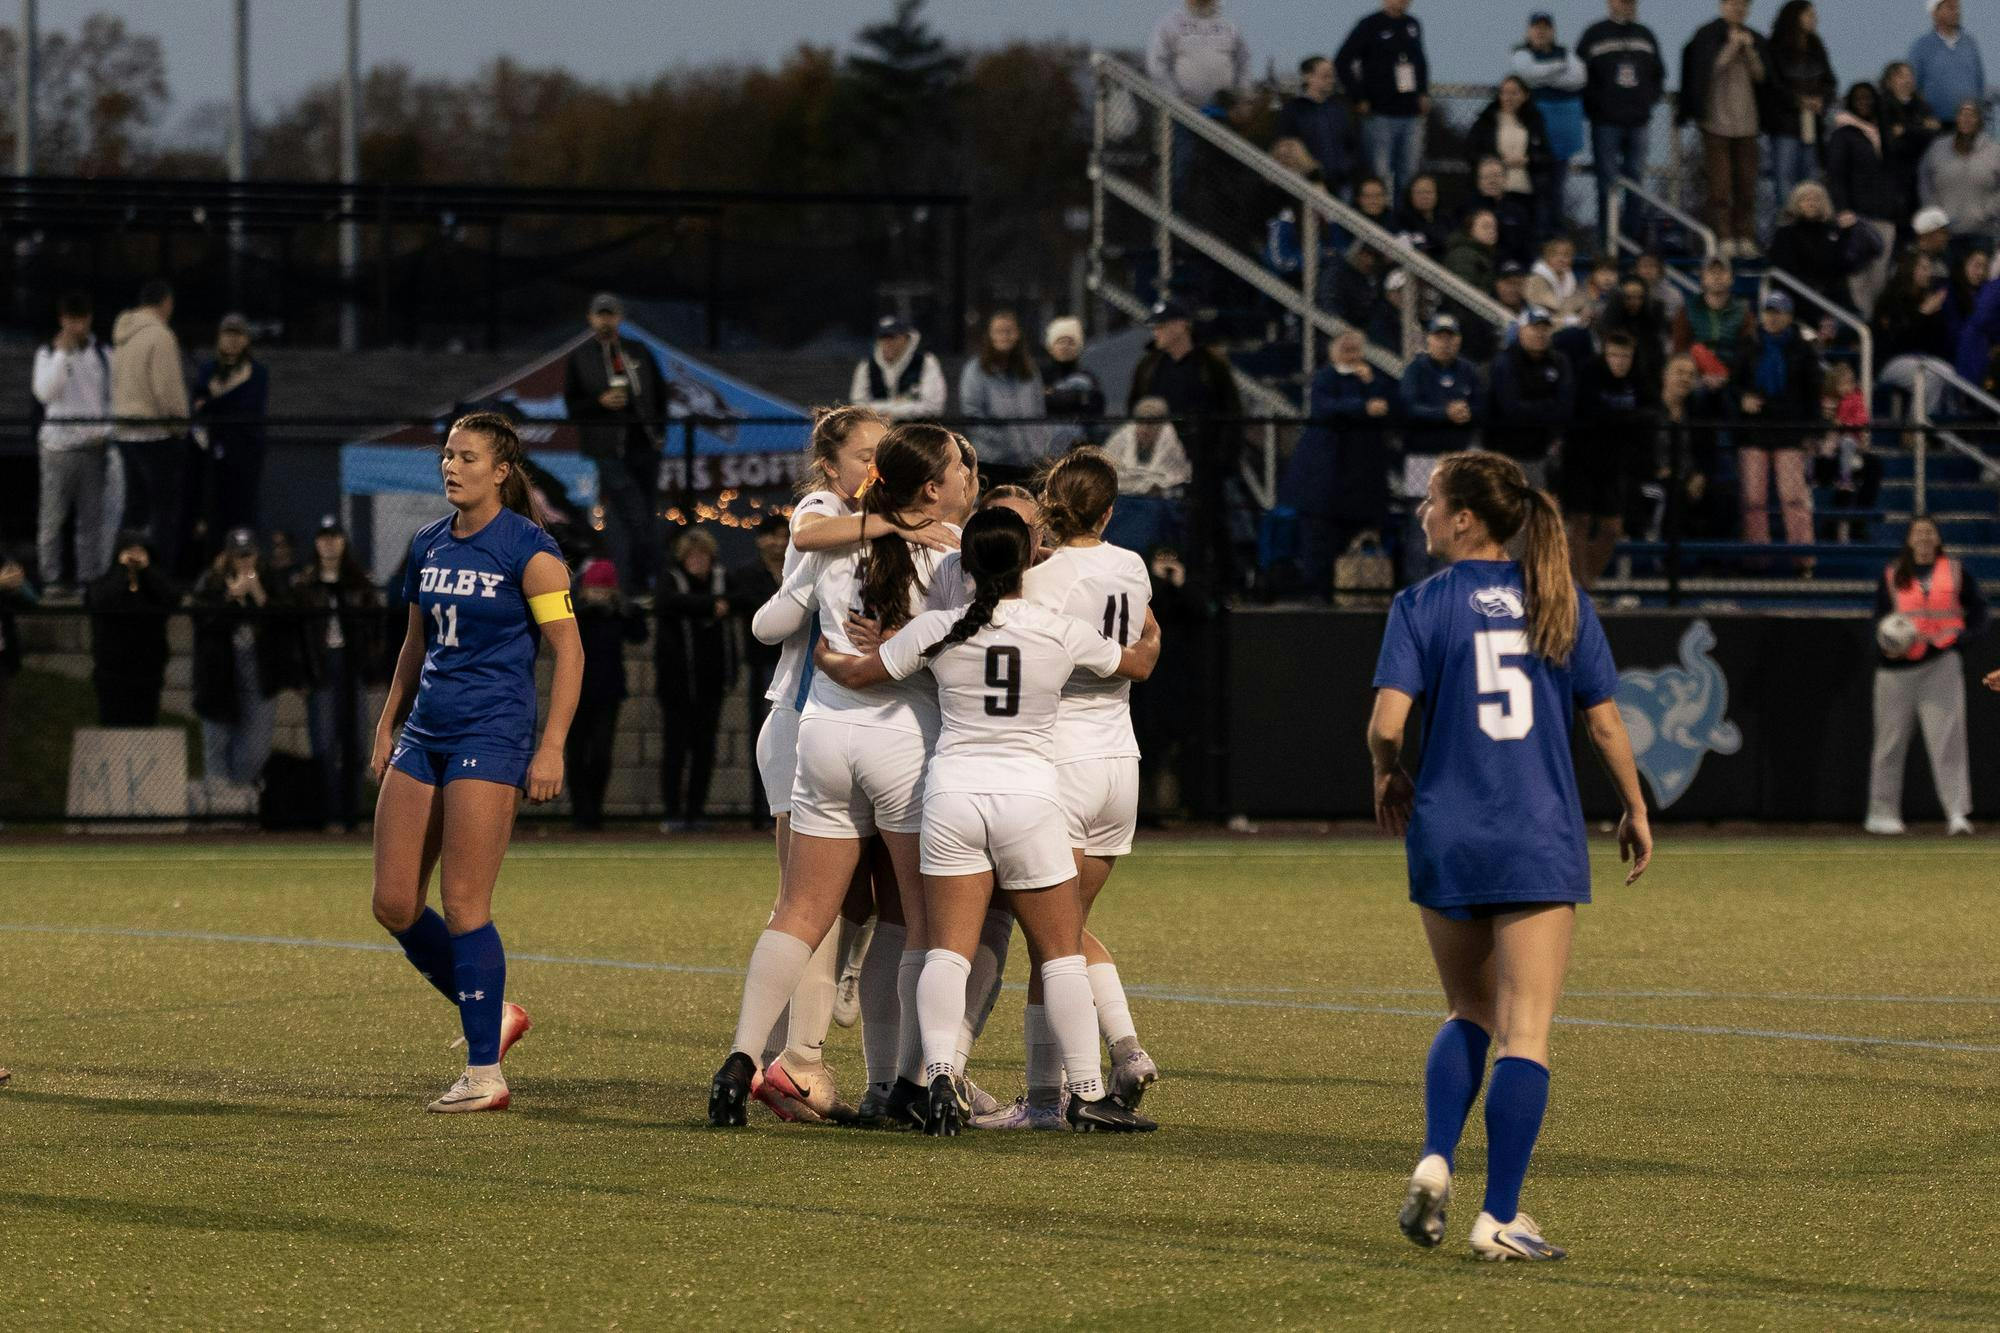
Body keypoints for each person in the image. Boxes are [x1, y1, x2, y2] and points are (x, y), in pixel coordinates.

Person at [1370, 450, 1651, 1262]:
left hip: (1449, 830)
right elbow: (1603, 724)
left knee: (1469, 1008)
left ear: (1464, 518)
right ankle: (1497, 1216)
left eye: (1431, 498)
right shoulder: (1557, 599)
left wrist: (1389, 774)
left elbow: (1389, 724)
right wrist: (1633, 805)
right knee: (1524, 1028)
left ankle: (1433, 1158)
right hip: (1536, 831)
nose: (1423, 509)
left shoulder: (1420, 603)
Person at [814, 504, 1161, 1136]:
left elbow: (861, 673)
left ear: (965, 563)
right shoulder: (1054, 627)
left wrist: (824, 654)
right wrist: (1152, 635)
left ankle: (940, 1078)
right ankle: (1084, 1094)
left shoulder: (939, 626)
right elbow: (1137, 663)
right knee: (1059, 954)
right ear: (1031, 557)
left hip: (952, 796)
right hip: (1029, 799)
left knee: (947, 950)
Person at [717, 423, 971, 1129]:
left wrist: (844, 657)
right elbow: (965, 653)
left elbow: (789, 613)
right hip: (903, 741)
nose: (960, 480)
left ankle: (741, 1061)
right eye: (954, 469)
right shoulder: (950, 552)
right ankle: (911, 1082)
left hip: (826, 737)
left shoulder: (839, 541)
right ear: (927, 485)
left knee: (801, 909)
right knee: (915, 919)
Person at [367, 411, 583, 1114]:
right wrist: (387, 720)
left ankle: (484, 1070)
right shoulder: (428, 543)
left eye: (466, 457)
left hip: (491, 735)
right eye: (447, 457)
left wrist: (550, 745)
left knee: (464, 904)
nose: (451, 467)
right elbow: (413, 643)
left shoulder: (531, 550)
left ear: (501, 469)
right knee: (395, 902)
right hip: (425, 732)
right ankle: (493, 1013)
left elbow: (571, 652)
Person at [1868, 516, 1983, 836]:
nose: (1923, 537)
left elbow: (1978, 612)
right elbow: (1879, 619)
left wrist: (1962, 638)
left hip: (1941, 664)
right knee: (1889, 742)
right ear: (1908, 539)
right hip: (1896, 670)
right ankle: (1882, 812)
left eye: (1928, 532)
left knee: (1949, 741)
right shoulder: (1893, 574)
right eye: (1917, 532)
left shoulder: (1956, 571)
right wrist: (1886, 645)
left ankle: (1957, 813)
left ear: (1937, 539)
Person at [1126, 298, 1241, 590]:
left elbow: (1231, 412)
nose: (1157, 332)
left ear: (1183, 325)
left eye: (1163, 325)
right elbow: (1134, 411)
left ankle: (1219, 585)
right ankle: (1165, 582)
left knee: (1210, 522)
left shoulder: (1210, 365)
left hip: (1202, 459)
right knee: (1163, 522)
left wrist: (1223, 458)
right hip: (1159, 463)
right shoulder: (1150, 366)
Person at [562, 293, 668, 597]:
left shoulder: (638, 351)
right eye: (600, 315)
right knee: (634, 512)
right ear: (591, 318)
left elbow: (661, 394)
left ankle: (636, 583)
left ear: (619, 317)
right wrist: (599, 402)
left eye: (610, 314)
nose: (605, 320)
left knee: (643, 514)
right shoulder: (581, 357)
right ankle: (651, 579)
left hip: (644, 444)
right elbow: (572, 406)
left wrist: (658, 433)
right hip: (608, 449)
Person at [1280, 331, 1396, 594]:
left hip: (1359, 483)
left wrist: (1371, 386)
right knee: (1319, 544)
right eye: (1346, 350)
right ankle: (1316, 595)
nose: (1352, 357)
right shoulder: (1325, 378)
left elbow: (1389, 406)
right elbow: (1324, 407)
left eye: (1356, 350)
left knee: (1354, 544)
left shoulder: (1372, 379)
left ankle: (1353, 594)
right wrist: (1362, 406)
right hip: (1324, 482)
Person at [189, 528, 296, 815]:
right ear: (227, 556)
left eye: (248, 555)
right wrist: (230, 597)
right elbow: (203, 622)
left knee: (255, 750)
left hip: (258, 679)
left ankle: (238, 802)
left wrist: (258, 594)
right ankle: (220, 815)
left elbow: (287, 621)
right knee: (217, 747)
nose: (244, 562)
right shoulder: (210, 581)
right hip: (218, 680)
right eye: (239, 556)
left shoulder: (269, 579)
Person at [294, 516, 383, 831]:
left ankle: (354, 813)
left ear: (344, 542)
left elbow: (374, 631)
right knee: (325, 743)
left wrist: (371, 669)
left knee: (356, 743)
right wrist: (303, 676)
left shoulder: (358, 583)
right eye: (324, 537)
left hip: (351, 666)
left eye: (335, 537)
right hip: (323, 668)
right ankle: (330, 814)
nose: (329, 543)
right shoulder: (305, 585)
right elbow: (298, 635)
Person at [654, 527, 736, 831]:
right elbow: (665, 602)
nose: (698, 561)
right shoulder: (671, 579)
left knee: (705, 748)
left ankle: (696, 811)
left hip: (710, 682)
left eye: (703, 555)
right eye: (693, 555)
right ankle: (673, 812)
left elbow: (743, 598)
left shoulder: (720, 577)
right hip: (677, 683)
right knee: (675, 748)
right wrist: (709, 606)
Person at [33, 291, 114, 593]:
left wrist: (106, 432)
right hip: (57, 448)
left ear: (89, 319)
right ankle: (52, 579)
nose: (76, 326)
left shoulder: (104, 354)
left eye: (81, 320)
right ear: (62, 320)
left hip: (93, 447)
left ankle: (87, 580)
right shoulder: (46, 353)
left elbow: (111, 398)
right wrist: (62, 355)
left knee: (90, 522)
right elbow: (46, 393)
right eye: (70, 320)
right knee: (53, 518)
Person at [110, 279, 191, 574]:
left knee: (133, 510)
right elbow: (167, 391)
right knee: (164, 513)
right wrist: (181, 425)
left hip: (125, 431)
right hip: (156, 434)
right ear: (166, 302)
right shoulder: (160, 335)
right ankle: (160, 574)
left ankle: (123, 572)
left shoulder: (122, 335)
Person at [1733, 291, 1823, 553]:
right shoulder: (1748, 344)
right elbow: (1734, 385)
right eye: (1769, 312)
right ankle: (1756, 558)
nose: (1772, 318)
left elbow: (1812, 392)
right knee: (1753, 500)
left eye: (1778, 312)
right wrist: (1743, 400)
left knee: (1793, 498)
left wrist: (1811, 432)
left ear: (1789, 316)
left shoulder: (1803, 350)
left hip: (1790, 431)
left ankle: (1803, 557)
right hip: (1754, 430)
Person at [1565, 333, 1658, 585]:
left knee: (1612, 528)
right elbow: (1590, 413)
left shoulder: (1637, 377)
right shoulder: (1588, 373)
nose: (1620, 361)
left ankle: (1588, 582)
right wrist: (1625, 417)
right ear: (1605, 353)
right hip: (1581, 460)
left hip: (1615, 462)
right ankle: (1579, 585)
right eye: (1614, 355)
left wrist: (1618, 418)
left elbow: (1651, 410)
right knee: (1580, 522)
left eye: (1625, 356)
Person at [1681, 0, 1771, 259]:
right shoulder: (1707, 35)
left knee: (1747, 186)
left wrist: (1750, 51)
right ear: (1722, 6)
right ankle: (1724, 236)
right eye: (1734, 5)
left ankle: (1745, 236)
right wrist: (1731, 47)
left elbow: (1762, 76)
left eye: (1744, 6)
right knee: (1720, 187)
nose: (1739, 10)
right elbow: (1705, 71)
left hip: (1748, 124)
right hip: (1715, 122)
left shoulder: (1754, 37)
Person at [1578, 0, 1668, 244]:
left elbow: (1659, 74)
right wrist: (1596, 106)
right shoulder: (1594, 34)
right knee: (1607, 182)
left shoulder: (1645, 34)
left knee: (1635, 181)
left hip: (1638, 121)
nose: (1627, 5)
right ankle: (1607, 240)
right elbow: (1581, 75)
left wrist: (1647, 101)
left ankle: (1630, 239)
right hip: (1606, 122)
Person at [566, 557, 645, 832]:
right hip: (576, 689)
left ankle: (594, 809)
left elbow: (639, 634)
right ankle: (580, 810)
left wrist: (626, 610)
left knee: (600, 752)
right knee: (576, 752)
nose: (599, 595)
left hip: (608, 689)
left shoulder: (615, 614)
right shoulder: (579, 614)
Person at [1336, 0, 1431, 200]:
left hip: (1411, 114)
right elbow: (1343, 60)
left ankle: (1405, 223)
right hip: (1379, 115)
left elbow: (1420, 61)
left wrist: (1423, 92)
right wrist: (1359, 97)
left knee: (1410, 175)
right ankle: (1378, 223)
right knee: (1380, 175)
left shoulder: (1413, 24)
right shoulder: (1369, 24)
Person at [190, 313, 271, 542]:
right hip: (212, 456)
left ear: (246, 340)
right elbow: (197, 405)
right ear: (219, 338)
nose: (233, 340)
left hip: (245, 454)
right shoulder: (207, 369)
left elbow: (248, 407)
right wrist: (220, 403)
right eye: (228, 334)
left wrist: (213, 401)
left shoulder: (258, 372)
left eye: (238, 335)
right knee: (213, 512)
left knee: (243, 513)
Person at [86, 529, 176, 726]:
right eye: (130, 551)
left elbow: (171, 599)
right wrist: (121, 570)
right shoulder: (105, 582)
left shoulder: (154, 583)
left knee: (145, 726)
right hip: (112, 671)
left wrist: (147, 570)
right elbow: (101, 600)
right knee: (112, 727)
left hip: (148, 671)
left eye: (140, 551)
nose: (135, 556)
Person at [1826, 83, 1900, 317]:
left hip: (1885, 215)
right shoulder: (1843, 134)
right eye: (1859, 98)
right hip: (1857, 216)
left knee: (1880, 278)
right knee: (1859, 277)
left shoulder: (1883, 132)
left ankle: (1874, 326)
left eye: (1869, 98)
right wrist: (1842, 209)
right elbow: (1835, 174)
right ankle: (1863, 325)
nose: (1864, 102)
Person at [1512, 12, 1587, 238]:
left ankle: (1554, 241)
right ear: (1529, 30)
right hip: (1533, 142)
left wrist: (1545, 73)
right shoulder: (1522, 53)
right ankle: (1534, 241)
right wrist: (1558, 69)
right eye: (1536, 27)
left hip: (1562, 141)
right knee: (1534, 193)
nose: (1541, 31)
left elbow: (1579, 78)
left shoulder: (1566, 53)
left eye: (1546, 27)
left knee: (1556, 193)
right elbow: (1528, 74)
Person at [1486, 309, 1575, 490]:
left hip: (1543, 452)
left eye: (1544, 329)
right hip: (1507, 453)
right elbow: (1512, 410)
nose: (1540, 333)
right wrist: (1549, 405)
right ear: (1521, 330)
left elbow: (1565, 407)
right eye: (1534, 328)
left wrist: (1536, 409)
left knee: (1540, 510)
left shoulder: (1559, 361)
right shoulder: (1505, 361)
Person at [1764, 1, 1837, 212]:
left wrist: (1821, 99)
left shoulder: (1816, 45)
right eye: (1809, 15)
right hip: (1784, 125)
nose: (1814, 19)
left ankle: (1812, 223)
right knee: (1784, 179)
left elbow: (1829, 81)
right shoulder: (1776, 47)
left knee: (1812, 179)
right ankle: (1786, 224)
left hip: (1812, 124)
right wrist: (1798, 100)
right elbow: (1773, 85)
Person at [1468, 78, 1557, 251]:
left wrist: (1529, 159)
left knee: (1523, 237)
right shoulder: (1487, 120)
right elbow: (1470, 151)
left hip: (1525, 190)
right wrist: (1495, 161)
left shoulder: (1534, 121)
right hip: (1493, 192)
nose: (1508, 97)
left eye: (1514, 92)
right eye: (1504, 92)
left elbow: (1548, 156)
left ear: (1525, 95)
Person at [958, 309, 1047, 480]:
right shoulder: (974, 370)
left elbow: (1039, 414)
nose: (1004, 336)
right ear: (989, 335)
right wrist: (1007, 443)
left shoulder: (1030, 371)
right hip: (992, 462)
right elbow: (972, 416)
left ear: (1018, 334)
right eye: (999, 331)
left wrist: (1039, 450)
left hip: (1029, 462)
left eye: (1009, 331)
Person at [1875, 250, 1958, 417]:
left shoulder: (1928, 300)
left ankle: (1945, 434)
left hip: (1921, 359)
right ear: (1909, 269)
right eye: (1923, 268)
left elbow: (1936, 344)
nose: (1928, 273)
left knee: (1949, 373)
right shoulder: (1891, 299)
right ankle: (1914, 431)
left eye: (1929, 268)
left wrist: (1934, 315)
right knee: (1930, 375)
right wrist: (1922, 314)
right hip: (1890, 361)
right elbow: (1896, 341)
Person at [1919, 101, 2000, 253]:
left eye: (1972, 115)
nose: (1966, 119)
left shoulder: (1994, 151)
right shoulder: (1938, 148)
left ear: (1979, 120)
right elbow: (1924, 180)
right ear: (1956, 119)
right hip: (1945, 234)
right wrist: (1933, 211)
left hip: (1983, 233)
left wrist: (1987, 211)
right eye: (1962, 114)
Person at [1146, 0, 1251, 110]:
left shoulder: (1229, 27)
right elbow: (1157, 65)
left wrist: (1240, 95)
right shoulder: (1169, 25)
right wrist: (1176, 98)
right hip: (1182, 114)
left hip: (1224, 111)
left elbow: (1244, 62)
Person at [1768, 180, 1854, 313]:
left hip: (1831, 298)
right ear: (1797, 203)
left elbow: (1840, 266)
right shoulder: (1785, 233)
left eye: (1816, 199)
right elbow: (1785, 271)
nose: (1811, 204)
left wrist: (1847, 234)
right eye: (1806, 199)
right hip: (1800, 298)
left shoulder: (1832, 232)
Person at [1279, 55, 1359, 195]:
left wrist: (1346, 169)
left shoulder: (1339, 109)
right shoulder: (1293, 109)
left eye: (1332, 76)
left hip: (1341, 184)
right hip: (1307, 186)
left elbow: (1351, 144)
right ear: (1308, 77)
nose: (1331, 80)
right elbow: (1286, 144)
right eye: (1325, 76)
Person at [850, 315, 948, 422]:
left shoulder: (926, 361)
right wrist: (898, 405)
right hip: (878, 433)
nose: (887, 343)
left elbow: (934, 407)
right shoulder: (866, 365)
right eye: (883, 338)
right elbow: (858, 406)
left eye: (892, 337)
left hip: (916, 432)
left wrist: (893, 412)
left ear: (906, 338)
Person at [1880, 61, 1943, 219]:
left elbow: (1932, 135)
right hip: (1895, 178)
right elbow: (1892, 145)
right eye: (1901, 76)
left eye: (1910, 76)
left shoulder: (1923, 106)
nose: (1907, 80)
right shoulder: (1883, 106)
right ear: (1889, 81)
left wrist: (1906, 130)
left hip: (1921, 174)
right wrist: (1921, 128)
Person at [1908, 0, 1985, 127]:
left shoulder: (1970, 44)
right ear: (1935, 13)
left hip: (1968, 124)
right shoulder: (1921, 46)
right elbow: (1913, 85)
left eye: (1957, 8)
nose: (1956, 12)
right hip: (1936, 123)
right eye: (1950, 7)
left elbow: (1979, 82)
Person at [1102, 396, 1192, 498]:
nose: (1145, 429)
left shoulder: (1169, 440)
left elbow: (1172, 478)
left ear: (1161, 426)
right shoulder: (1122, 437)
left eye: (1151, 423)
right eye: (1141, 422)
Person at [1673, 256, 1751, 367]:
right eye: (1712, 272)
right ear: (1703, 279)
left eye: (1722, 272)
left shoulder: (1743, 311)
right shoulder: (1686, 309)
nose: (1717, 276)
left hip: (1732, 374)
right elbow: (1679, 349)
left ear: (1731, 279)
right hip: (1695, 374)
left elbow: (1747, 352)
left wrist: (1729, 375)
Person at [1038, 316, 1106, 431]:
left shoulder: (1087, 378)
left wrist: (1054, 396)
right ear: (1050, 347)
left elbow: (1096, 408)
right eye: (1060, 342)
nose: (1065, 346)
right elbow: (1036, 405)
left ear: (1078, 348)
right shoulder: (1039, 376)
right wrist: (1076, 398)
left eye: (1071, 342)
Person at [1526, 236, 1589, 324]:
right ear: (1546, 257)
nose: (1561, 259)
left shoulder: (1575, 283)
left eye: (1566, 255)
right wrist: (1570, 321)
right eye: (1555, 255)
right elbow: (1539, 316)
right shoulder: (1535, 282)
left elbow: (1583, 308)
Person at [1393, 174, 1451, 257]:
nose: (1424, 197)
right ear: (1410, 196)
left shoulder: (1446, 220)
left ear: (1437, 194)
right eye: (1419, 192)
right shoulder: (1400, 221)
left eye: (1428, 192)